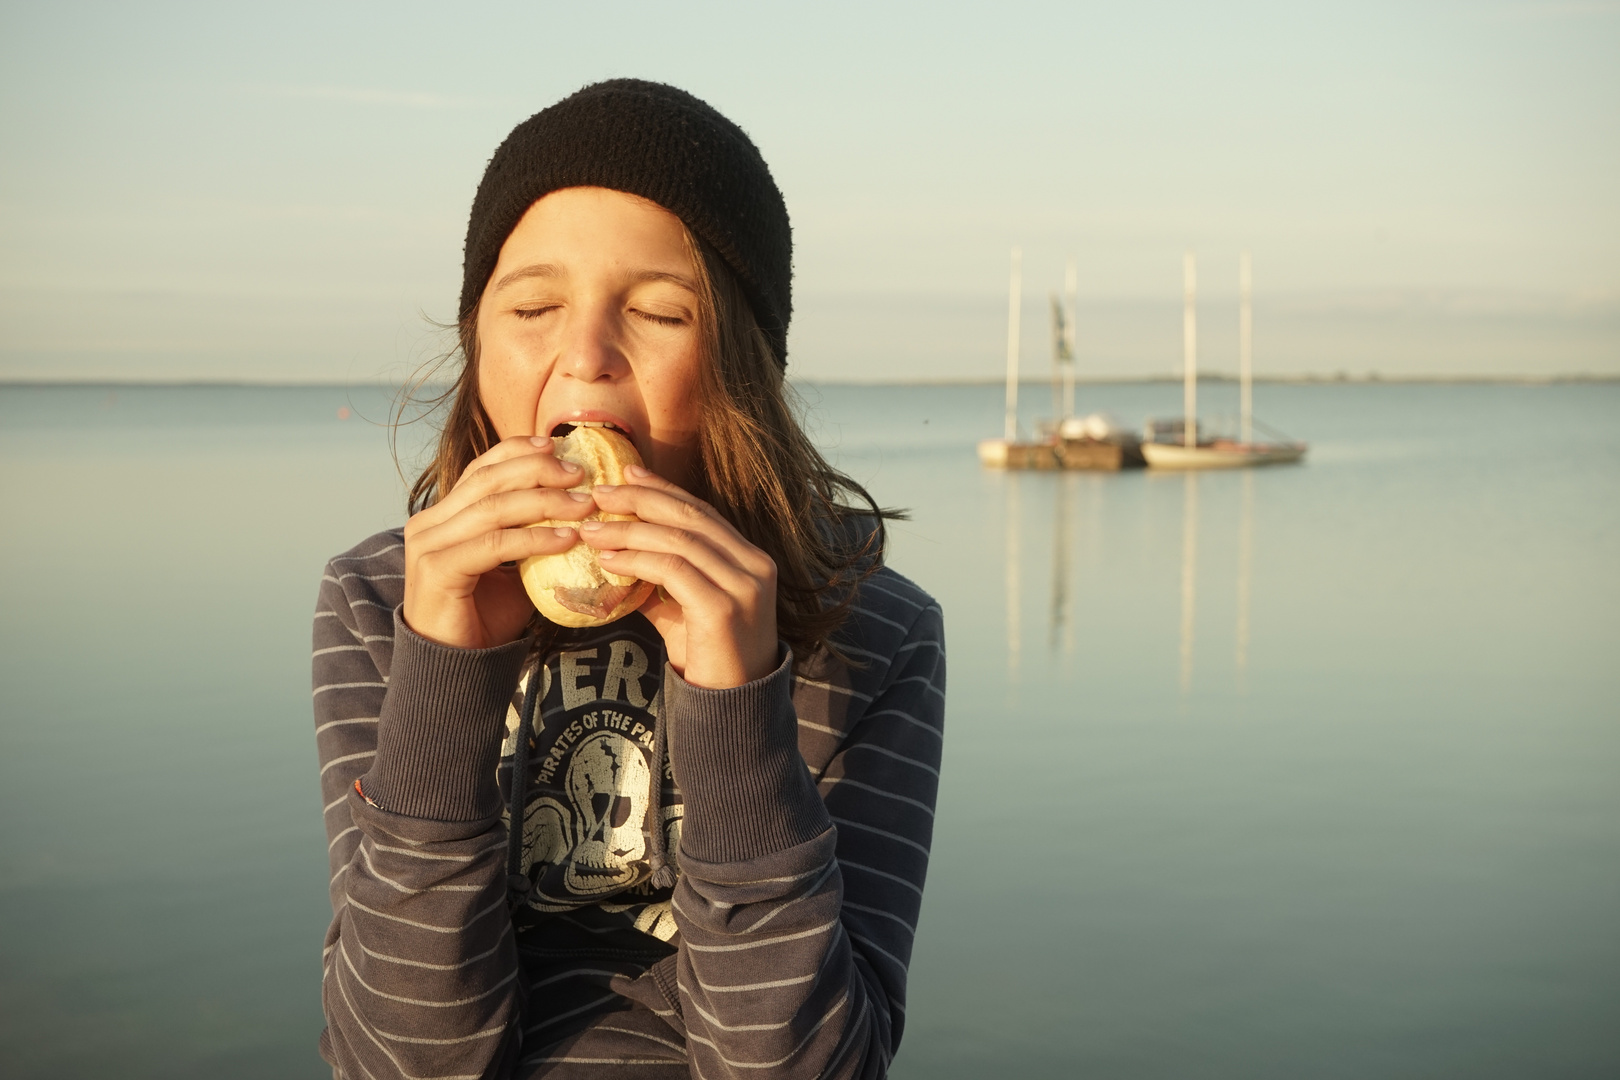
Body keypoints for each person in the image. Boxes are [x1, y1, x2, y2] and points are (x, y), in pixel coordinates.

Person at [312, 79, 945, 1079]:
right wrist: (443, 671)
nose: (587, 356)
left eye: (658, 310)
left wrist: (740, 706)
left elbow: (813, 1066)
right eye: (532, 305)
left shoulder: (869, 626)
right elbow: (394, 1060)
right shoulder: (385, 598)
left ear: (743, 362)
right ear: (480, 343)